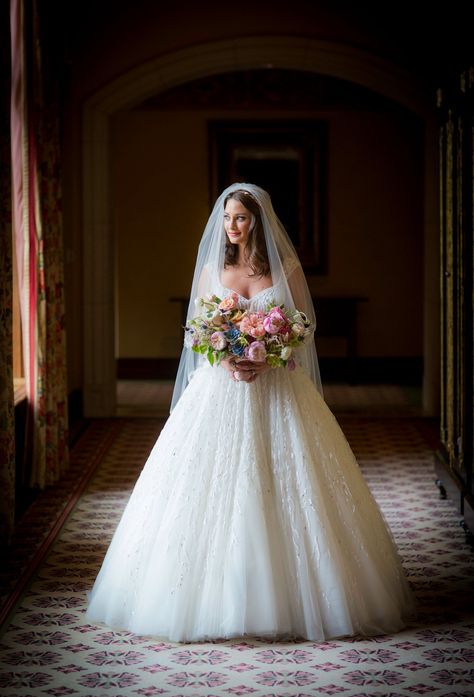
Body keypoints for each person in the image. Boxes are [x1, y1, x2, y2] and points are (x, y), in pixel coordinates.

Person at [86, 183, 416, 642]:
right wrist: (226, 357)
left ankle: (296, 597)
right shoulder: (212, 268)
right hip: (220, 389)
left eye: (240, 218)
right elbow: (196, 331)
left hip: (277, 387)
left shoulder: (287, 268)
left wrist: (267, 356)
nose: (232, 226)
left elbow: (303, 327)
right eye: (226, 218)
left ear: (258, 222)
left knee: (287, 483)